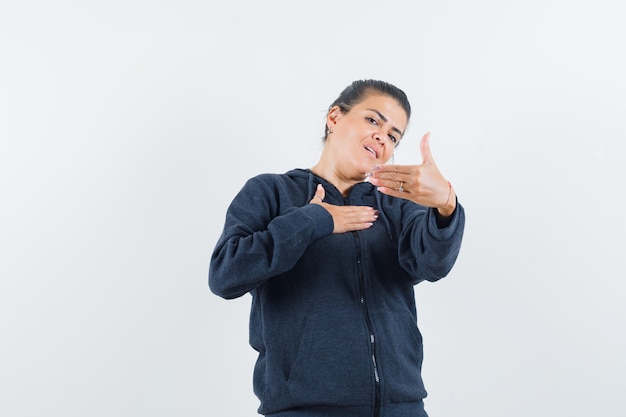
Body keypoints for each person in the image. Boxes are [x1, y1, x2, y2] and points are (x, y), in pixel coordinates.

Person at [209, 79, 465, 417]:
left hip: (401, 407)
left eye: (393, 136)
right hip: (303, 408)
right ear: (334, 117)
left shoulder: (396, 204)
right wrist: (314, 220)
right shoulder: (271, 192)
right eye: (373, 120)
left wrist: (445, 204)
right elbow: (226, 273)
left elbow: (432, 263)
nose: (381, 137)